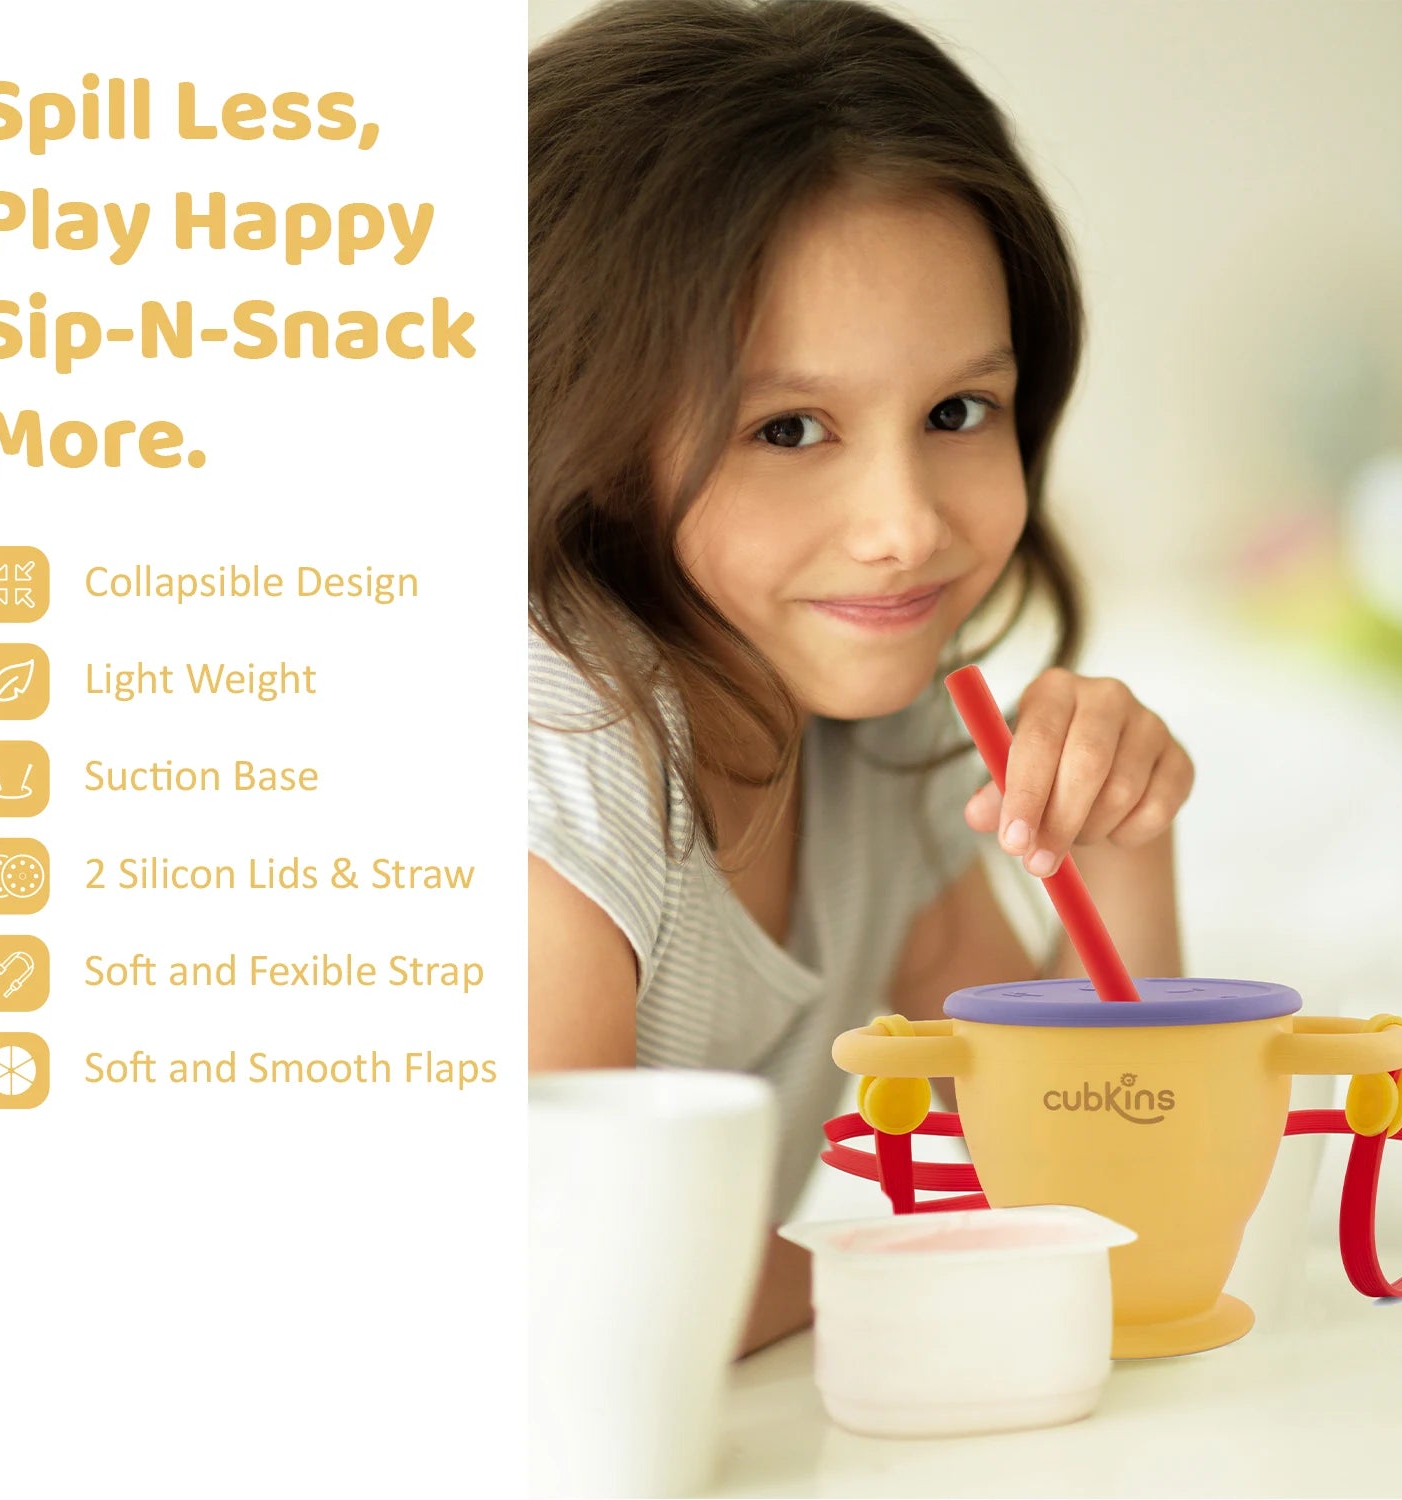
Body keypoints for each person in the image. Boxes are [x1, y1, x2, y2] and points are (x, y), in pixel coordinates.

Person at [528, 0, 1192, 1355]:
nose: (905, 523)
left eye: (959, 412)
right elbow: (558, 1302)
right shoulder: (550, 759)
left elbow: (1110, 1192)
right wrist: (940, 1264)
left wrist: (1123, 849)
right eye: (789, 427)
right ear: (583, 433)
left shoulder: (877, 741)